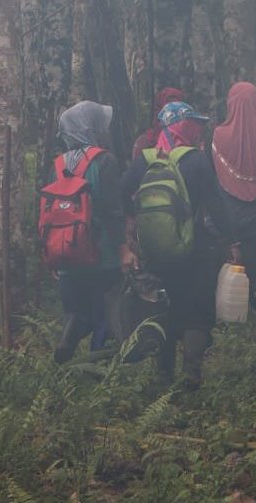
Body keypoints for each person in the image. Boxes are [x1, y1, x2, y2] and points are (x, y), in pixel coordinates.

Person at [121, 101, 227, 389]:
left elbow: (121, 193)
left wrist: (134, 225)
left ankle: (162, 375)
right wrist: (229, 240)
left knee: (162, 310)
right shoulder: (196, 160)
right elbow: (215, 206)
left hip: (155, 251)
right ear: (186, 126)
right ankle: (191, 374)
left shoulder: (145, 158)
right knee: (197, 314)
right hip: (195, 250)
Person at [51, 101, 126, 363]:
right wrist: (123, 248)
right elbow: (113, 211)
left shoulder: (58, 163)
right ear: (90, 126)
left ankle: (68, 338)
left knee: (76, 310)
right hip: (100, 252)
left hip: (65, 252)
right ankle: (98, 362)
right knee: (105, 311)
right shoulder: (105, 161)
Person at [211, 82, 256, 344]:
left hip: (230, 222)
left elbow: (213, 183)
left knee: (232, 275)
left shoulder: (217, 137)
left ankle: (230, 333)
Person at [131, 87, 186, 159]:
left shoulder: (190, 139)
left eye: (176, 108)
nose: (172, 113)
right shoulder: (144, 141)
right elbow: (137, 167)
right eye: (168, 107)